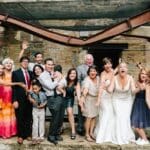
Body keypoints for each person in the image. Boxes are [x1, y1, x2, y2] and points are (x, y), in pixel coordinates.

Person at [107, 62, 136, 145]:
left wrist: (139, 89)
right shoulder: (114, 78)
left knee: (126, 117)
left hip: (127, 100)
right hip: (116, 100)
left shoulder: (130, 78)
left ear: (127, 69)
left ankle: (127, 136)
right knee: (119, 116)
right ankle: (118, 136)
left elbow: (133, 91)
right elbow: (110, 90)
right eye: (120, 67)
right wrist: (105, 87)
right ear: (118, 70)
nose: (122, 69)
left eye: (124, 67)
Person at [38, 58, 63, 145]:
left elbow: (60, 83)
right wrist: (58, 79)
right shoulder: (42, 76)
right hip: (51, 98)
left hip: (59, 96)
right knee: (55, 116)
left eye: (52, 64)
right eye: (48, 64)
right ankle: (51, 136)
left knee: (60, 116)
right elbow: (51, 86)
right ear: (45, 65)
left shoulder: (53, 73)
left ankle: (56, 134)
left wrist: (58, 78)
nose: (50, 66)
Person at [0, 62, 26, 139]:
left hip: (11, 97)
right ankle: (4, 133)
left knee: (11, 114)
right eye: (7, 64)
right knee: (4, 115)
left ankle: (11, 132)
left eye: (10, 64)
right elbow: (5, 83)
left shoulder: (12, 73)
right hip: (3, 98)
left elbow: (19, 62)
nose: (8, 65)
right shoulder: (2, 74)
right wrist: (19, 83)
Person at [12, 56, 33, 144]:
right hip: (19, 99)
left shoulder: (31, 73)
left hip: (29, 98)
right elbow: (13, 88)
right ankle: (20, 136)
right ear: (20, 63)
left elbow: (33, 83)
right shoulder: (15, 73)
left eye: (27, 61)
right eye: (24, 61)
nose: (25, 63)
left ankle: (28, 134)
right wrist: (14, 100)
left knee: (28, 117)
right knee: (20, 117)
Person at [94, 57, 115, 143]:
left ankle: (109, 135)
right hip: (103, 97)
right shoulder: (103, 74)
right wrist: (98, 100)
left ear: (111, 64)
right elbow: (101, 88)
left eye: (109, 63)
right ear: (103, 66)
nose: (107, 65)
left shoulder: (113, 72)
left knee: (111, 115)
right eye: (105, 64)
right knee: (106, 113)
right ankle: (101, 136)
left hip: (111, 97)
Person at [80, 65, 99, 142]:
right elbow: (85, 90)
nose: (93, 72)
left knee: (94, 117)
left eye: (94, 71)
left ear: (96, 72)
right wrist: (83, 97)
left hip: (96, 100)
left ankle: (91, 133)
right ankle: (87, 134)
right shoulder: (86, 80)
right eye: (91, 71)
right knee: (89, 118)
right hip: (88, 100)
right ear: (88, 72)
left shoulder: (98, 78)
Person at [131, 68, 150, 145]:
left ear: (147, 76)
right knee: (138, 124)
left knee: (136, 124)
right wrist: (139, 87)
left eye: (145, 74)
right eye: (142, 73)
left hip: (142, 105)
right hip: (136, 103)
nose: (143, 75)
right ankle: (141, 138)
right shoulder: (137, 82)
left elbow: (147, 99)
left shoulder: (148, 85)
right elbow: (133, 92)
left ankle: (145, 140)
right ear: (140, 75)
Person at [76, 53, 94, 135]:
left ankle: (90, 129)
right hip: (83, 92)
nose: (89, 60)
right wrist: (79, 94)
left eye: (90, 59)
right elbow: (78, 81)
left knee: (91, 112)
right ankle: (80, 128)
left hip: (92, 93)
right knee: (81, 111)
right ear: (85, 60)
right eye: (87, 59)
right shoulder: (80, 68)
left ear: (92, 60)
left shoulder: (94, 68)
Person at [28, 80, 47, 145]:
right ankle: (34, 137)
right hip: (35, 109)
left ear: (39, 88)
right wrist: (30, 99)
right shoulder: (32, 93)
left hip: (42, 110)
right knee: (35, 124)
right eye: (33, 89)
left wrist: (43, 105)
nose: (34, 90)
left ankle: (41, 137)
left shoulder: (43, 94)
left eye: (36, 89)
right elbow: (28, 94)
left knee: (41, 123)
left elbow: (46, 101)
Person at [65, 68, 80, 140]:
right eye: (71, 73)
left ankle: (73, 131)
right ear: (68, 74)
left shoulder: (77, 83)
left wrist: (80, 100)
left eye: (74, 73)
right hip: (61, 98)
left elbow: (78, 94)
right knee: (60, 113)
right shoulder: (65, 80)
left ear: (76, 75)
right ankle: (60, 127)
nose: (72, 75)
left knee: (70, 112)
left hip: (69, 99)